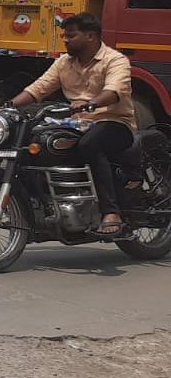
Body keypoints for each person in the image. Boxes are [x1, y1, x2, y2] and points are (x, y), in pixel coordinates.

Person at [7, 12, 135, 236]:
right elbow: (39, 88)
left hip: (114, 122)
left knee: (90, 145)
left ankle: (111, 212)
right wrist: (8, 106)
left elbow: (114, 91)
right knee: (34, 140)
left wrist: (91, 104)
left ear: (90, 36)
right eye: (65, 36)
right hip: (77, 123)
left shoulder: (115, 60)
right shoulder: (63, 63)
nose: (65, 40)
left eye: (71, 36)